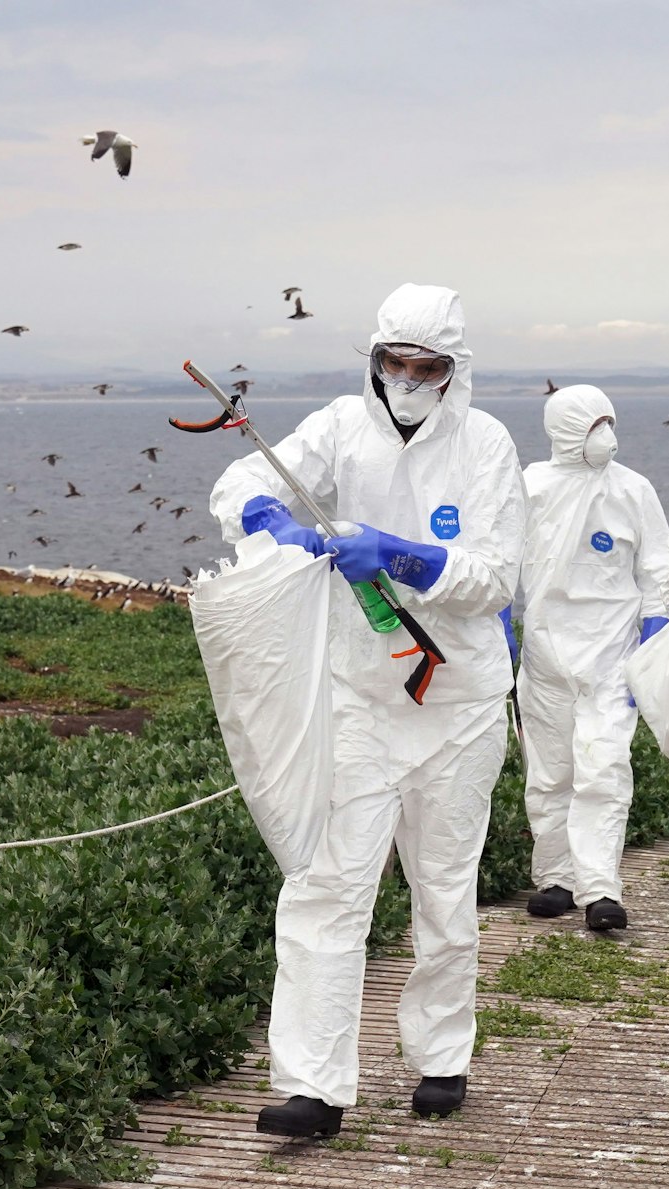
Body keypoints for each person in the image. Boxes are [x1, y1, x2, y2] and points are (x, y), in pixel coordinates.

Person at [209, 283, 526, 1137]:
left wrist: (403, 557)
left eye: (429, 366)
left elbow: (495, 575)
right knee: (322, 885)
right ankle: (313, 1082)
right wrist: (269, 517)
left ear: (455, 370)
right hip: (361, 702)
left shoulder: (489, 445)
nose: (410, 379)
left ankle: (441, 1054)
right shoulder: (339, 429)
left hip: (457, 706)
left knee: (445, 893)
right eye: (396, 361)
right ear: (374, 359)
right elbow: (237, 479)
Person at [516, 385, 669, 932]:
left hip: (611, 656)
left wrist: (653, 642)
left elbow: (658, 569)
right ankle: (556, 877)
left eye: (608, 421)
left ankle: (600, 887)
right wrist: (495, 625)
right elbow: (501, 561)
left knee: (604, 768)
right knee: (551, 770)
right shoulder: (529, 488)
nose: (605, 436)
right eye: (592, 424)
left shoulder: (633, 489)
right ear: (564, 430)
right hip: (545, 656)